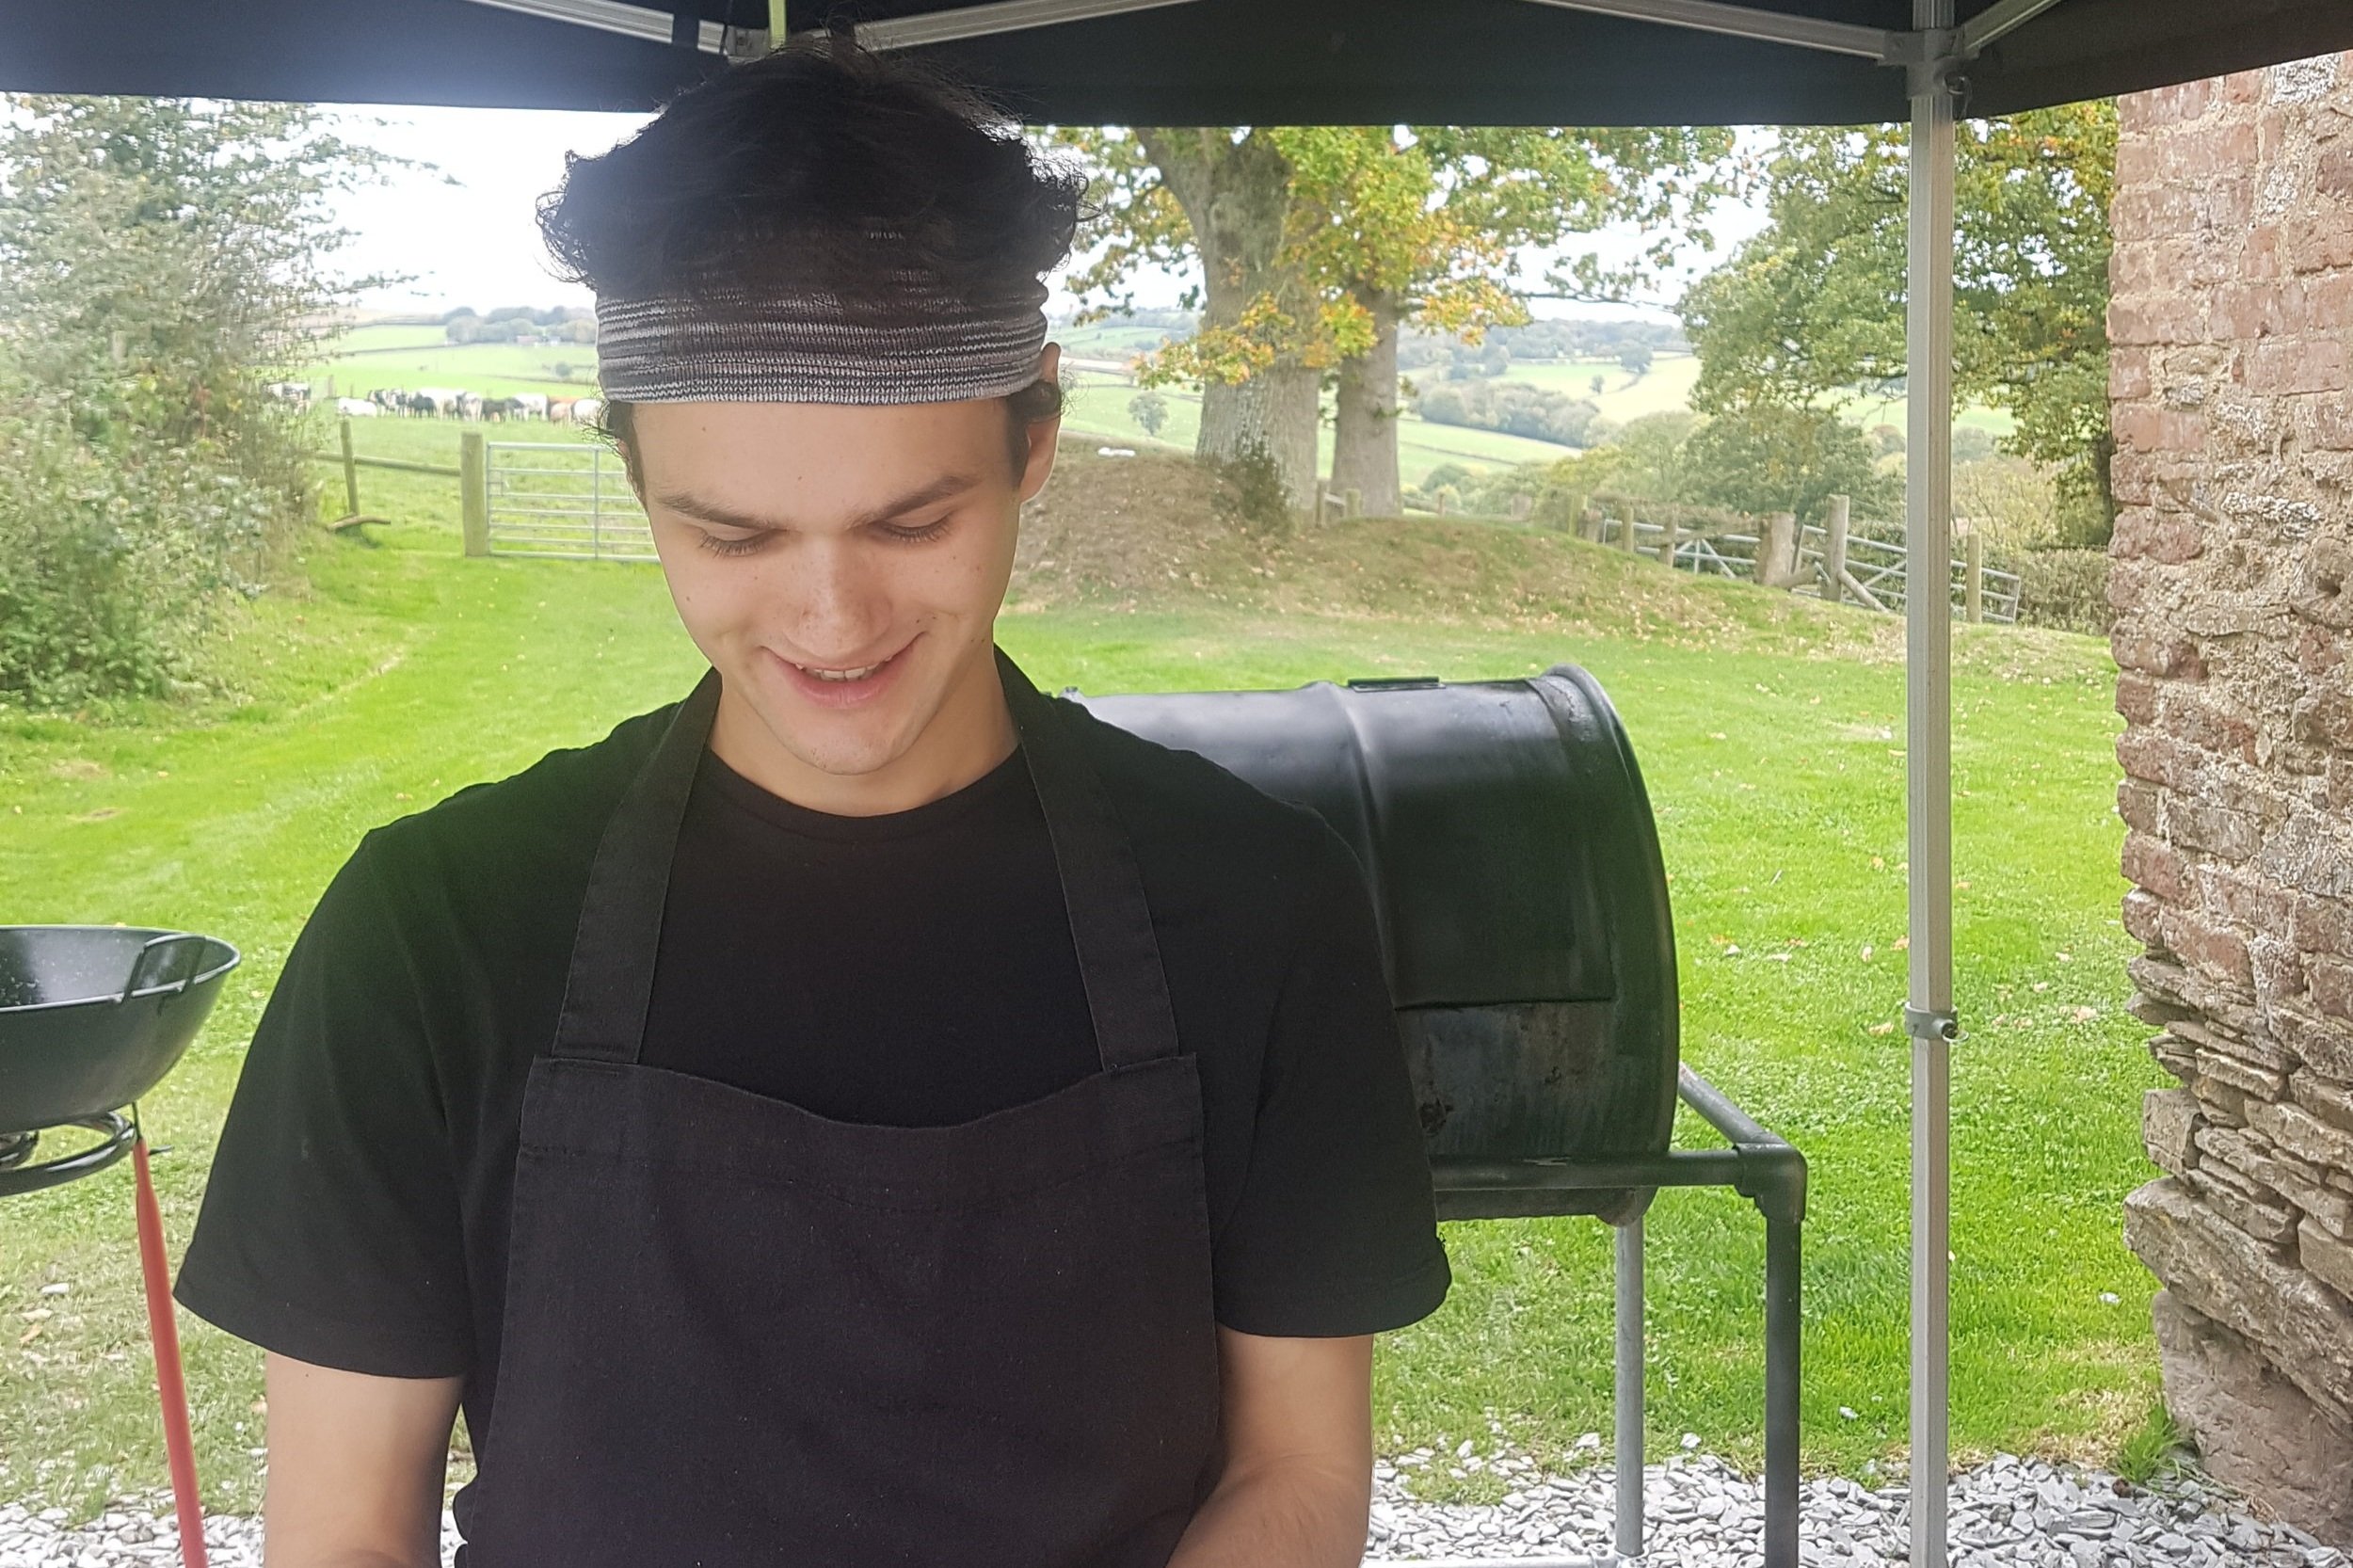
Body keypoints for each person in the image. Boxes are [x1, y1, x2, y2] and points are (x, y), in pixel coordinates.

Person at [173, 38, 1449, 1568]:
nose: (833, 622)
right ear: (637, 475)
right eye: (733, 535)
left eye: (912, 519)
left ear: (1033, 440)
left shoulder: (1259, 905)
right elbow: (339, 1534)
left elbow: (1299, 1479)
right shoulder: (432, 929)